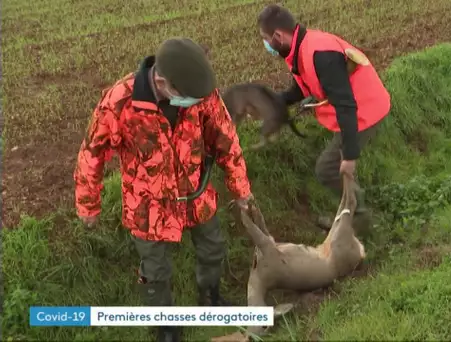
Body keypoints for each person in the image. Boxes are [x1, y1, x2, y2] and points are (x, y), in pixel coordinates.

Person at [74, 37, 253, 342]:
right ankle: (166, 326)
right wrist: (88, 205)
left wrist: (241, 188)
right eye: (192, 98)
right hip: (149, 205)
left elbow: (226, 139)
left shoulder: (199, 92)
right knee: (155, 271)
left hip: (195, 192)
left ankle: (210, 299)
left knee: (213, 247)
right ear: (162, 81)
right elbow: (92, 153)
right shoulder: (119, 102)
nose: (199, 103)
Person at [257, 4, 391, 232]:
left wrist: (349, 155)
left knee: (327, 168)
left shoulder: (321, 54)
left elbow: (346, 105)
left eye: (266, 39)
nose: (266, 45)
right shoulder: (301, 48)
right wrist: (278, 101)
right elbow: (304, 86)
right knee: (337, 167)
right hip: (356, 107)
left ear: (278, 36)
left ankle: (361, 219)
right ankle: (350, 212)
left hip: (365, 110)